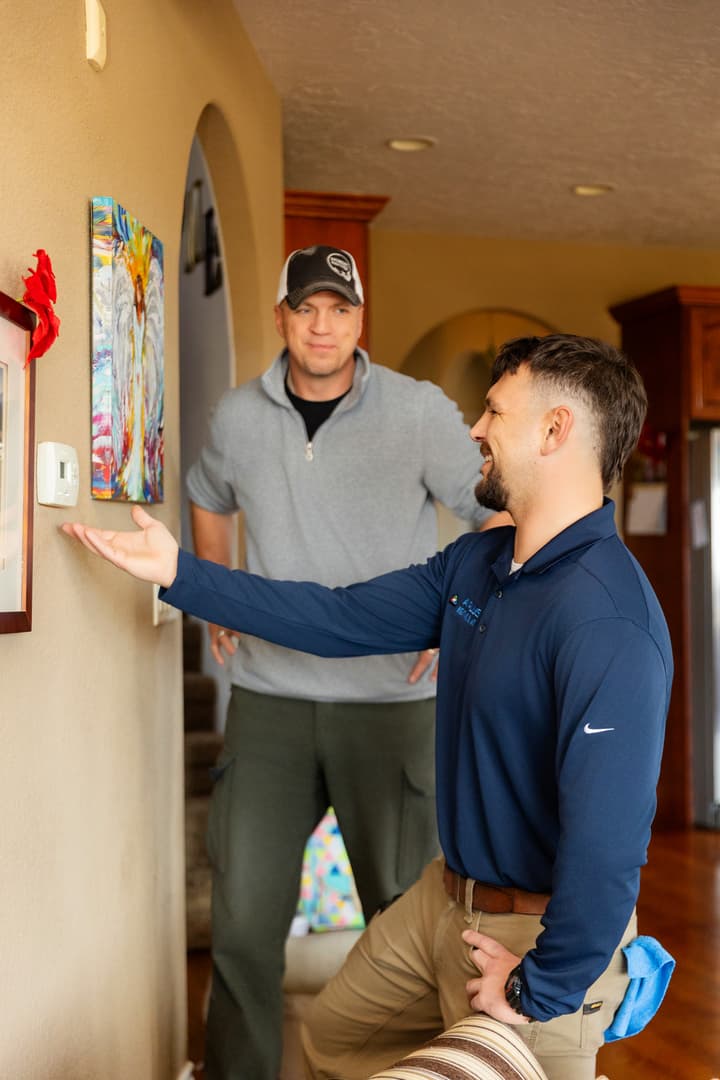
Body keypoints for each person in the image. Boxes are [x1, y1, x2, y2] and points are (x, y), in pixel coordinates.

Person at [62, 332, 672, 1080]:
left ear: (555, 431)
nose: (474, 430)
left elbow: (609, 850)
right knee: (333, 1037)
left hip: (535, 935)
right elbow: (339, 618)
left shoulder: (609, 622)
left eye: (493, 411)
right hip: (442, 901)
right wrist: (181, 575)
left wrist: (540, 982)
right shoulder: (477, 563)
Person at [182, 244, 506, 1078]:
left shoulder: (420, 412)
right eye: (306, 308)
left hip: (390, 708)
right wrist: (218, 591)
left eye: (340, 309)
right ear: (284, 317)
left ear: (361, 321)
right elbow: (207, 495)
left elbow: (498, 515)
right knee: (244, 926)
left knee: (407, 924)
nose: (322, 325)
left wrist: (454, 615)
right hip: (269, 704)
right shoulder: (237, 418)